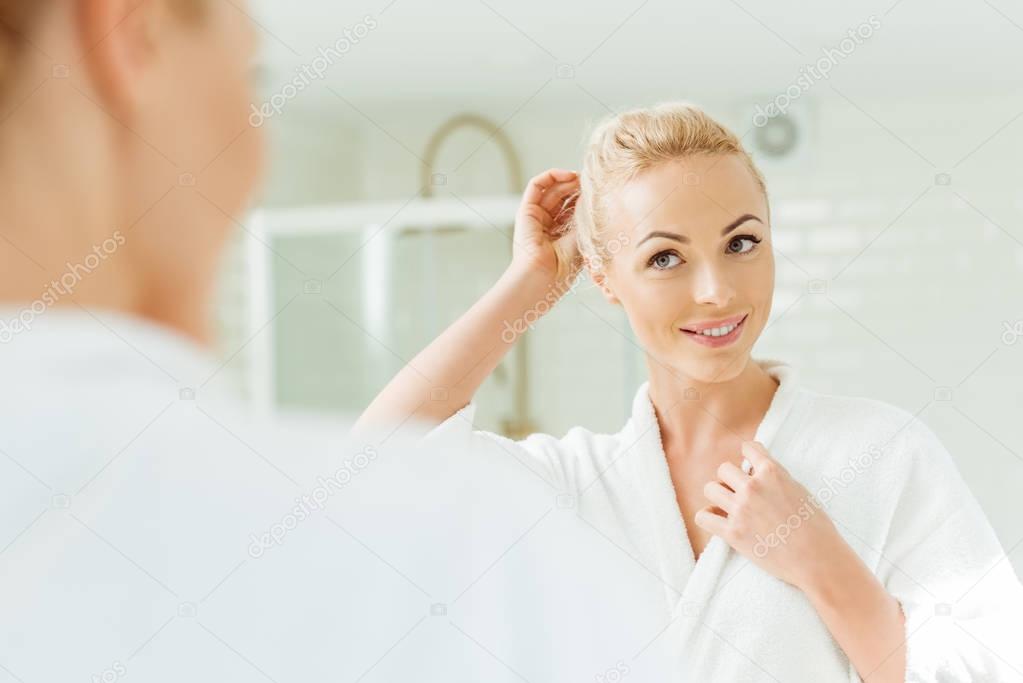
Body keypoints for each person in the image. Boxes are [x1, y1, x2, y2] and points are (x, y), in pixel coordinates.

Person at [357, 102, 1023, 681]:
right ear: (603, 276)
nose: (717, 290)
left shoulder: (881, 454)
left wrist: (821, 560)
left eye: (741, 242)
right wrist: (530, 281)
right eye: (664, 257)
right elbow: (371, 471)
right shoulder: (577, 484)